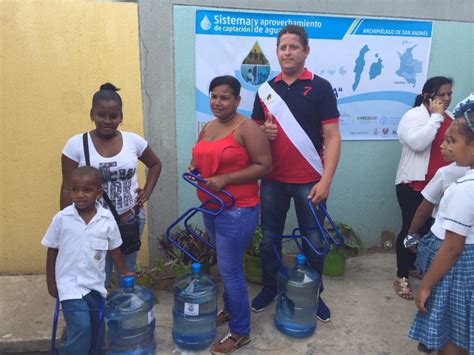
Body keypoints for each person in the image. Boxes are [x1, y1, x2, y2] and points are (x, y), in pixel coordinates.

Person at [250, 24, 341, 322]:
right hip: (273, 180)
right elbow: (252, 134)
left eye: (293, 47)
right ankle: (269, 287)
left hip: (310, 181)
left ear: (306, 51)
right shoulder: (265, 90)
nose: (287, 52)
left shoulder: (320, 87)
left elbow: (332, 137)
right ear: (276, 52)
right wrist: (262, 131)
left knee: (314, 240)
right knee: (268, 239)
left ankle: (314, 294)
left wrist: (326, 180)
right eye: (282, 47)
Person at [190, 75, 271, 354]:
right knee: (226, 266)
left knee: (230, 270)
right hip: (211, 206)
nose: (217, 102)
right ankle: (230, 311)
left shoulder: (247, 128)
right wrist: (194, 169)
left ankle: (240, 332)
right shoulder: (209, 126)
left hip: (238, 209)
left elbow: (264, 166)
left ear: (237, 100)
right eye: (214, 96)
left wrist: (226, 179)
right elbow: (200, 158)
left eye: (225, 97)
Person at [60, 83, 162, 288]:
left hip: (129, 219)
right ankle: (100, 315)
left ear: (121, 116)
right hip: (92, 222)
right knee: (98, 274)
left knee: (127, 271)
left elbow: (155, 164)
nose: (107, 121)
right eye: (101, 115)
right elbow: (66, 187)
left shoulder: (134, 141)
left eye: (113, 116)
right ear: (92, 114)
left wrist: (148, 191)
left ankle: (122, 313)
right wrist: (67, 222)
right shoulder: (76, 145)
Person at [42, 166, 134, 354]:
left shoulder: (106, 219)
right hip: (69, 285)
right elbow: (52, 249)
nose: (80, 195)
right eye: (74, 190)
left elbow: (114, 248)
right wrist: (50, 281)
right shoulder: (62, 218)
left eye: (86, 190)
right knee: (81, 327)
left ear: (98, 192)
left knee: (97, 326)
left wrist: (123, 271)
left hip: (94, 284)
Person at [408, 97, 474, 353]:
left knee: (452, 335)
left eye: (453, 141)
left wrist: (425, 285)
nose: (446, 146)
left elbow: (452, 247)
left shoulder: (464, 189)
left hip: (455, 272)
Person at [394, 76, 453, 300]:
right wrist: (435, 117)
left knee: (429, 231)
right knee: (411, 229)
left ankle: (413, 266)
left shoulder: (449, 117)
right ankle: (401, 276)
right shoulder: (414, 116)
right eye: (442, 95)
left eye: (449, 94)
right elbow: (419, 143)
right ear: (429, 96)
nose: (447, 99)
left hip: (440, 187)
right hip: (413, 185)